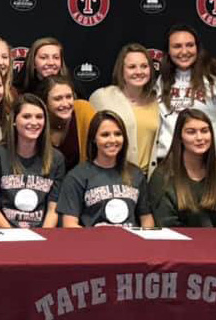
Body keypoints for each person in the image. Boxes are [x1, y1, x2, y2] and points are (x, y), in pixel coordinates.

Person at [57, 111, 154, 228]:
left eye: (118, 134)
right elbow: (69, 223)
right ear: (94, 139)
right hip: (94, 239)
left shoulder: (135, 174)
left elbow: (146, 218)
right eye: (105, 135)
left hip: (131, 238)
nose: (113, 140)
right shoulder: (76, 177)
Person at [157, 24, 216, 159]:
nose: (184, 51)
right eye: (177, 46)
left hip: (208, 160)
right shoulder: (161, 81)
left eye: (190, 45)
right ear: (168, 51)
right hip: (169, 160)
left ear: (198, 47)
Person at [0, 94, 65, 228]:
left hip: (41, 233)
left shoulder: (56, 158)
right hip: (4, 232)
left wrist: (44, 236)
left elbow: (52, 210)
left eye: (39, 117)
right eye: (26, 117)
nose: (34, 122)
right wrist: (14, 235)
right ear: (14, 121)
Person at [149, 108, 216, 227]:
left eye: (204, 131)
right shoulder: (163, 176)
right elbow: (166, 224)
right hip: (177, 238)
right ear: (180, 137)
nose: (199, 138)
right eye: (191, 132)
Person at [89, 43, 161, 176]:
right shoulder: (102, 98)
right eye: (132, 67)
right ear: (121, 70)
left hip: (148, 178)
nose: (139, 72)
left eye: (144, 66)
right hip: (113, 176)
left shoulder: (158, 100)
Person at [37, 75, 95, 171]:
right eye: (58, 99)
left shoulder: (83, 111)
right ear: (44, 102)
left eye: (69, 97)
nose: (65, 104)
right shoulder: (36, 121)